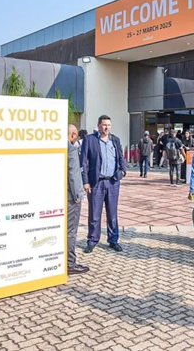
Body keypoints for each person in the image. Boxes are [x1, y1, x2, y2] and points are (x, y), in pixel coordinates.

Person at [80, 115, 128, 253]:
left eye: (109, 125)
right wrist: (85, 181)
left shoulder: (115, 140)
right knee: (94, 214)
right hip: (96, 183)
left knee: (112, 214)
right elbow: (83, 162)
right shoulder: (90, 140)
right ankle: (92, 241)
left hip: (112, 182)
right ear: (99, 125)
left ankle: (113, 240)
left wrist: (123, 171)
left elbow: (121, 157)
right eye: (104, 125)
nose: (107, 128)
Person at [66, 125, 89, 274]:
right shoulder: (71, 149)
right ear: (74, 135)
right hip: (70, 197)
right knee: (71, 230)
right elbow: (74, 175)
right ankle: (70, 263)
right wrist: (77, 196)